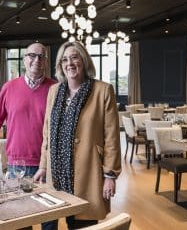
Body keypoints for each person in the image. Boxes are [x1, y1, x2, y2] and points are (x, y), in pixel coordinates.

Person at [33, 41, 121, 229]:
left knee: (82, 224)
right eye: (64, 59)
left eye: (74, 57)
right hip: (55, 172)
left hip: (87, 170)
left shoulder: (103, 90)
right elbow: (46, 133)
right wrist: (42, 166)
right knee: (49, 222)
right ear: (60, 65)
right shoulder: (54, 91)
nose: (69, 63)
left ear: (84, 60)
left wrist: (110, 176)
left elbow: (112, 137)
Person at [0, 43, 56, 179]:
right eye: (32, 55)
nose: (37, 60)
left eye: (41, 56)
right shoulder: (9, 88)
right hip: (17, 164)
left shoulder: (55, 89)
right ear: (24, 59)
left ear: (46, 61)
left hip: (47, 164)